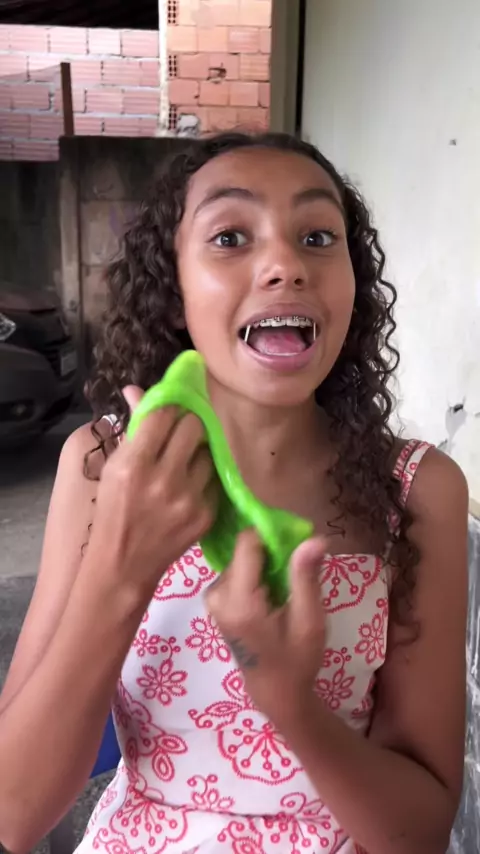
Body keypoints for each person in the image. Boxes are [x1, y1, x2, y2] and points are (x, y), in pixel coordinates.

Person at [0, 132, 468, 854]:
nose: (286, 264)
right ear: (175, 292)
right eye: (229, 237)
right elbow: (15, 814)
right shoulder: (102, 464)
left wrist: (291, 705)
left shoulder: (417, 490)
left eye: (317, 237)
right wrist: (120, 574)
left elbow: (422, 833)